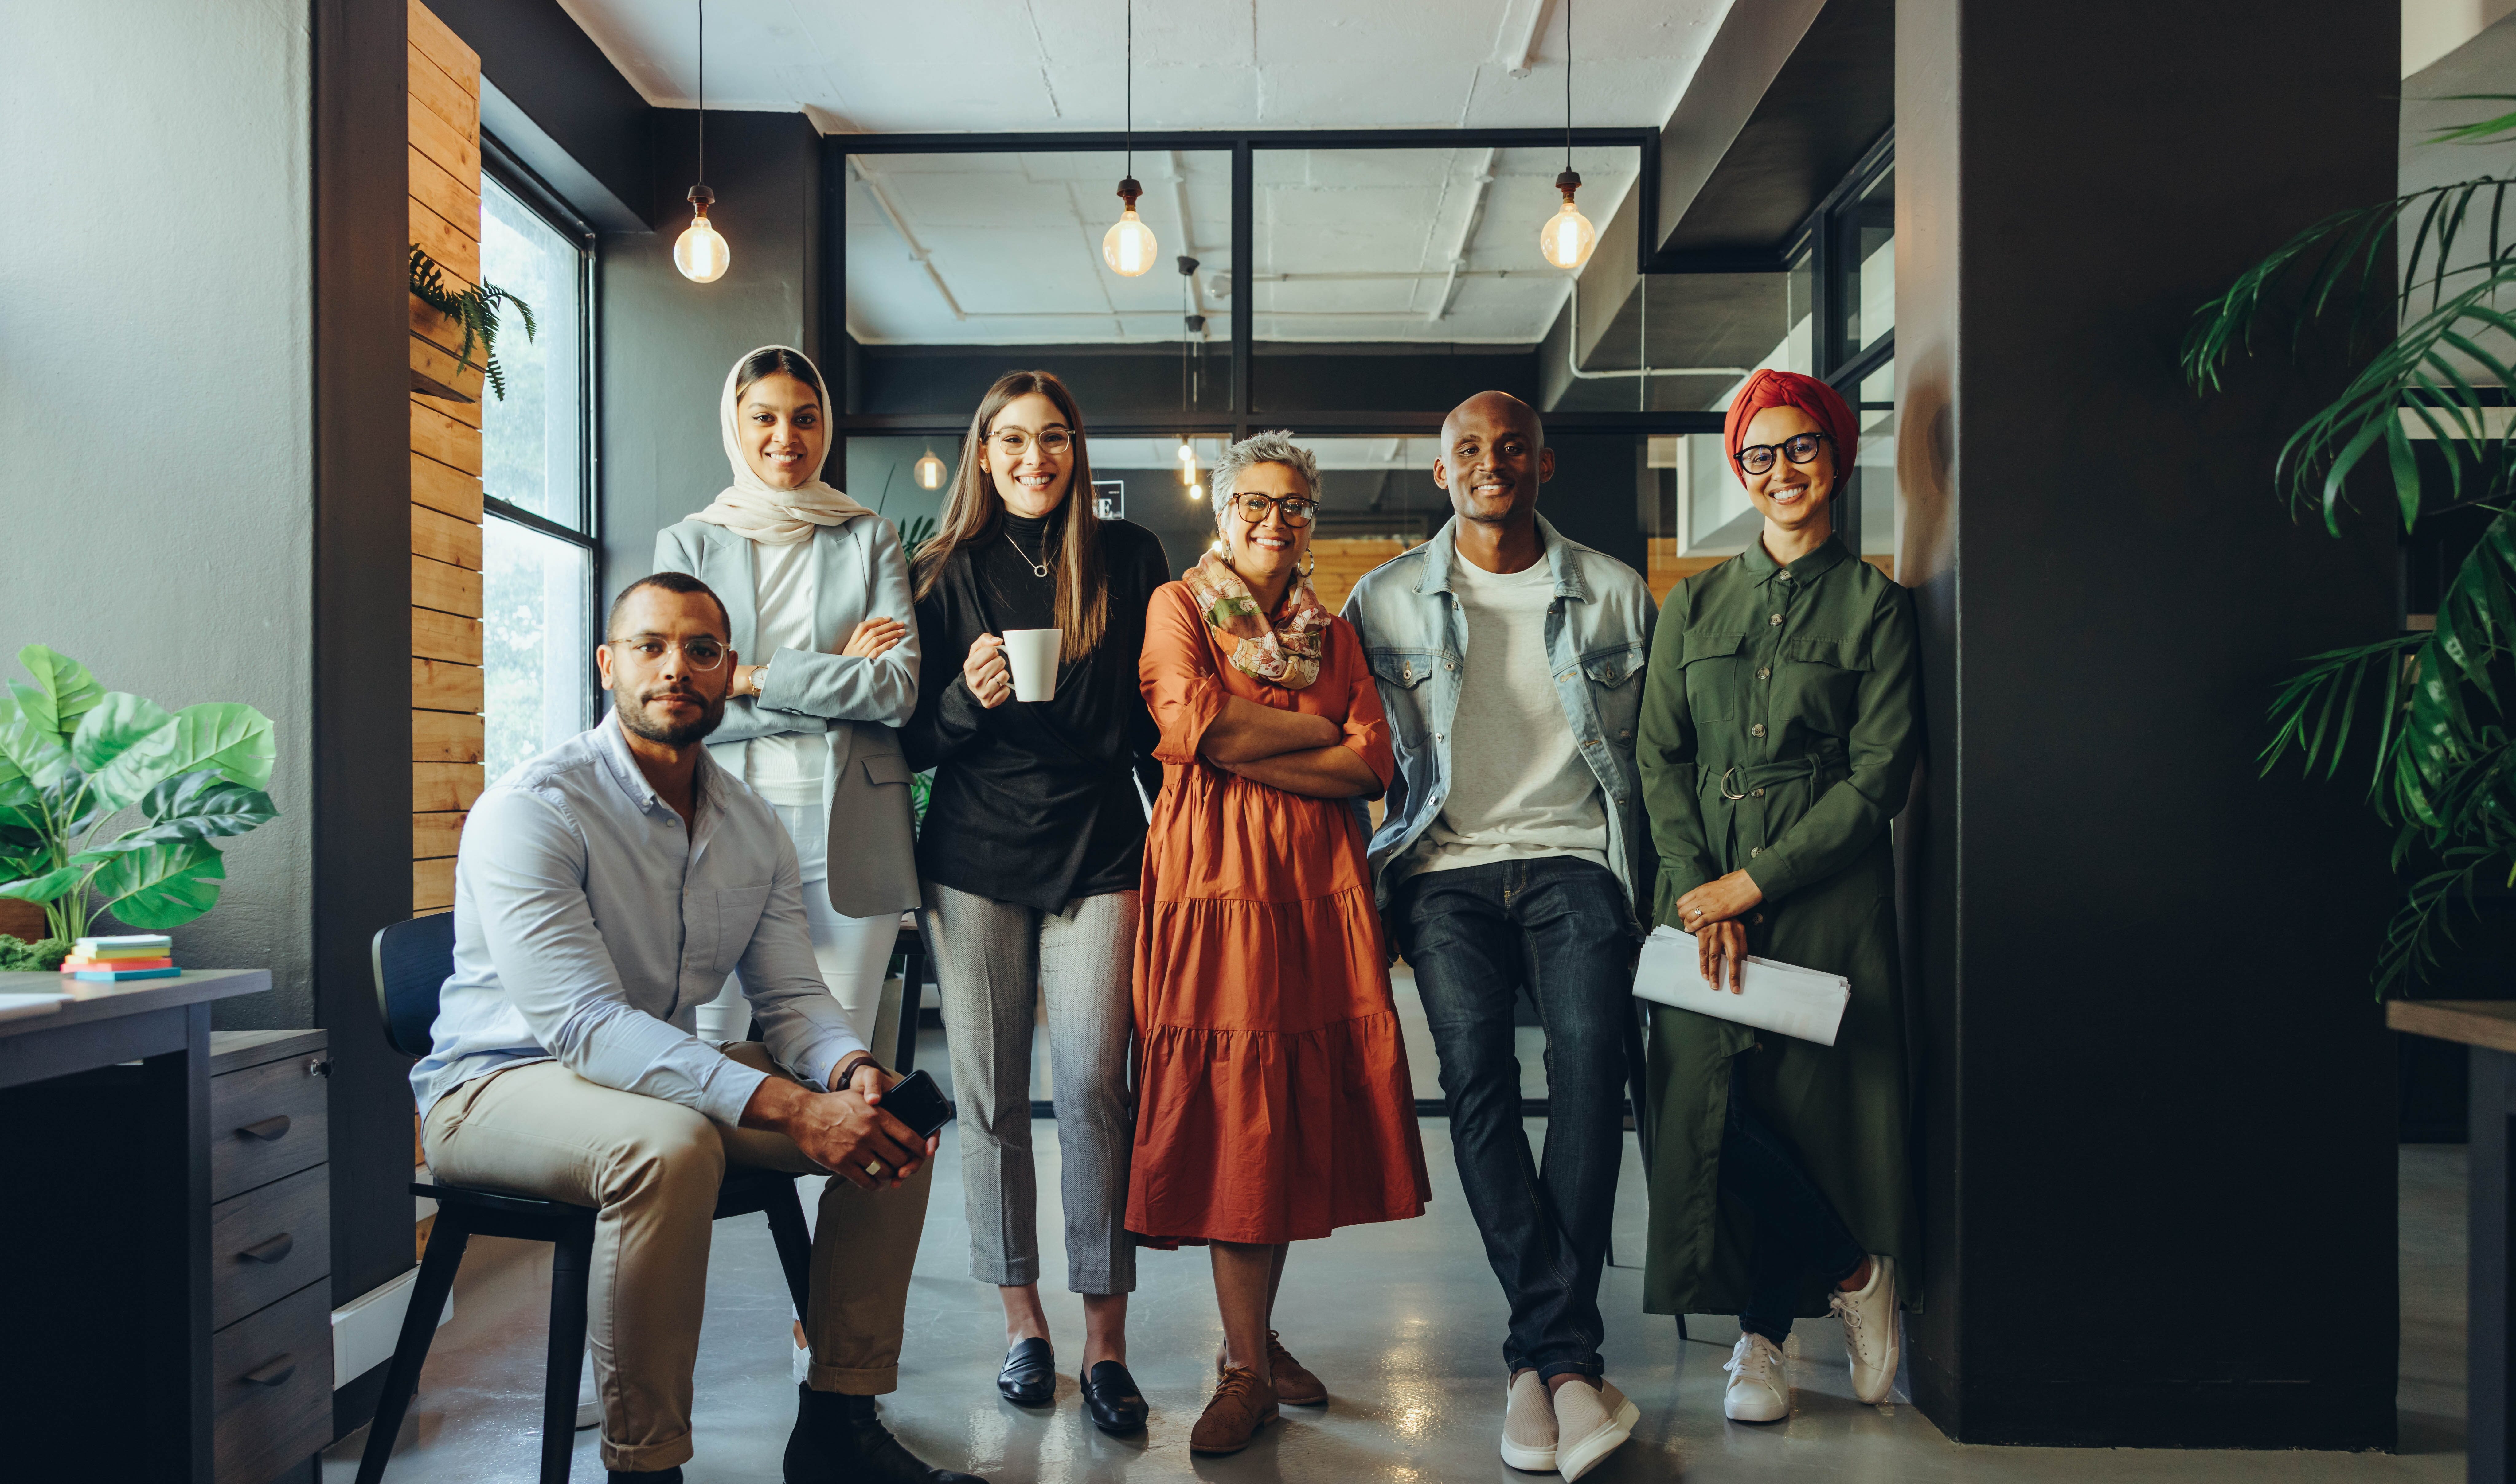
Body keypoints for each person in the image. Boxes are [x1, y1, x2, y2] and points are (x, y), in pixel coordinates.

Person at [409, 572, 983, 1484]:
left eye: (703, 650)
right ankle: (647, 1467)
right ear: (609, 664)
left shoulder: (749, 825)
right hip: (497, 1086)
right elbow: (587, 1026)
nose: (677, 667)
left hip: (646, 1073)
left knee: (894, 1119)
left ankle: (840, 1422)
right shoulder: (534, 809)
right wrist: (792, 1108)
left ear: (729, 673)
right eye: (651, 645)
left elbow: (793, 995)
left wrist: (848, 1069)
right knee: (671, 1146)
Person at [1342, 391, 1655, 1479]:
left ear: (1544, 463)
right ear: (1441, 473)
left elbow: (1647, 761)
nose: (1491, 464)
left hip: (1576, 860)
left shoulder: (1616, 592)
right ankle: (1568, 1359)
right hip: (1446, 872)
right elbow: (1356, 760)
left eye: (1510, 447)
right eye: (1469, 450)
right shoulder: (1380, 602)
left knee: (1590, 1067)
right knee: (1474, 1077)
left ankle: (1544, 1361)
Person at [1131, 430, 1432, 1456]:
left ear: (1313, 520)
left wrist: (1257, 730)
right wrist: (1313, 734)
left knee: (1289, 1102)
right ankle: (1247, 1366)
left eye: (1294, 505)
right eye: (1255, 503)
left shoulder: (1332, 632)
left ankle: (1250, 1343)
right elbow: (1196, 726)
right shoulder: (1178, 607)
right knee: (1234, 1104)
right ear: (1223, 513)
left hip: (1312, 886)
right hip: (1217, 887)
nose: (1275, 520)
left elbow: (1374, 765)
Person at [1635, 368, 1919, 1422]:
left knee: (1806, 1110)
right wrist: (1703, 891)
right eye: (1761, 453)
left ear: (1837, 458)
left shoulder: (1877, 608)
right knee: (1710, 1115)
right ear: (1738, 472)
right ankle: (1854, 1273)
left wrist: (1755, 883)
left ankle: (1765, 1341)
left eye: (1803, 448)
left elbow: (1879, 775)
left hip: (1826, 897)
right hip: (1701, 893)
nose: (1783, 470)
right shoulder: (1694, 603)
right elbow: (1659, 758)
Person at [652, 344, 928, 1405]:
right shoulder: (691, 539)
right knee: (698, 1077)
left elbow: (897, 689)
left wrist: (760, 669)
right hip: (717, 834)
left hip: (845, 839)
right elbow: (691, 689)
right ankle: (662, 1323)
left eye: (804, 416)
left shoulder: (864, 533)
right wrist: (822, 675)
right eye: (764, 417)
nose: (785, 437)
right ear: (737, 422)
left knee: (837, 1081)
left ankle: (827, 1336)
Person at [901, 370, 1170, 1435]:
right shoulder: (943, 572)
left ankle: (1106, 1340)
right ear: (983, 451)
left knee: (1098, 1081)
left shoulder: (1133, 556)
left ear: (1076, 450)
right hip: (972, 856)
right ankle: (1024, 1322)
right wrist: (967, 700)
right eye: (1012, 439)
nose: (1033, 457)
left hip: (1103, 849)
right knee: (990, 1093)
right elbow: (913, 737)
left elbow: (1155, 714)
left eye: (1053, 437)